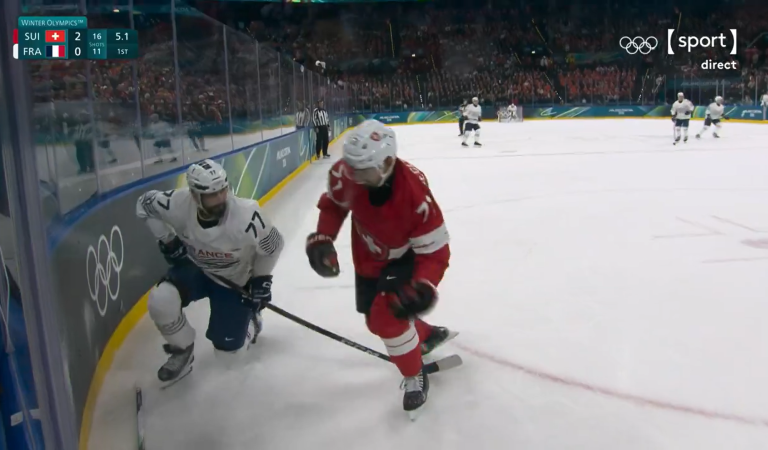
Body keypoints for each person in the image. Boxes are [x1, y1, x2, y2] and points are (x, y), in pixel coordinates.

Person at [305, 120, 457, 419]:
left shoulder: (415, 197)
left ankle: (414, 374)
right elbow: (335, 204)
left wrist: (423, 285)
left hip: (405, 258)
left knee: (386, 319)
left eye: (362, 170)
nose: (353, 176)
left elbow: (435, 252)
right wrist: (324, 236)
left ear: (387, 163)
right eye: (352, 168)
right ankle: (425, 335)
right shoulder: (348, 172)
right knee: (374, 322)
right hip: (368, 256)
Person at [135, 159, 284, 386]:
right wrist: (167, 239)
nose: (221, 199)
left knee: (229, 359)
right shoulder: (177, 204)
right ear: (195, 195)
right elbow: (144, 204)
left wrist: (261, 279)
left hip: (234, 280)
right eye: (212, 195)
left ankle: (252, 322)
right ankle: (182, 350)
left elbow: (274, 246)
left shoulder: (247, 215)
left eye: (223, 190)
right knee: (161, 300)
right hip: (196, 269)